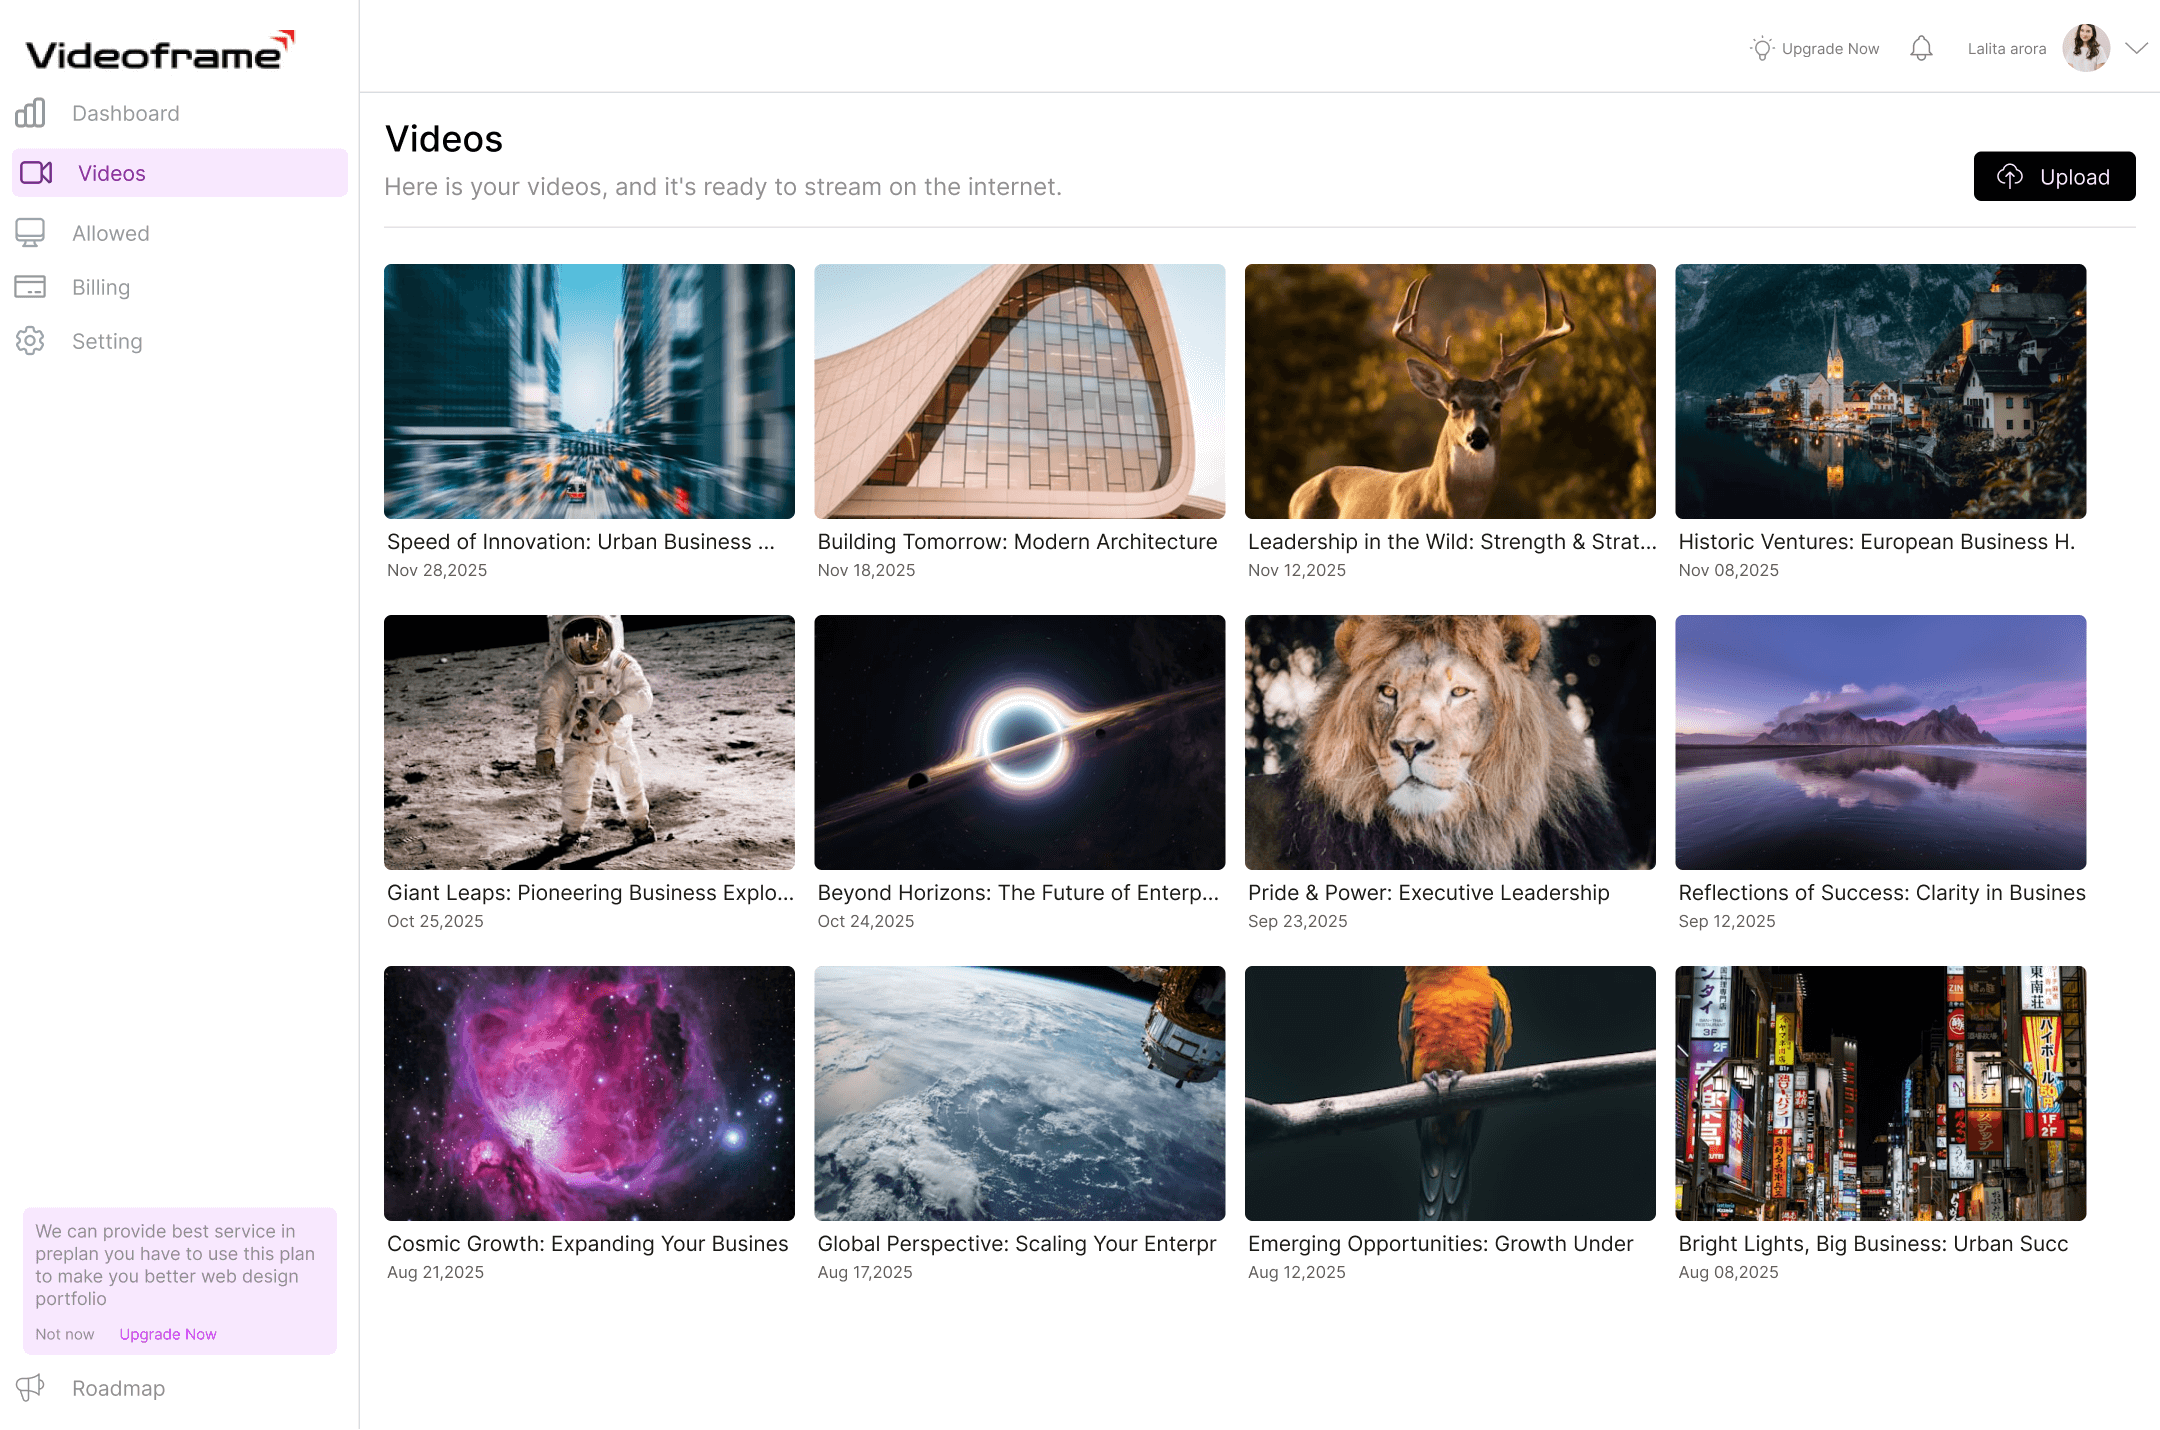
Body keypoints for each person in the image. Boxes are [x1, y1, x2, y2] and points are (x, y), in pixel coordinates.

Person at [536, 614, 655, 845]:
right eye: (577, 642)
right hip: (578, 741)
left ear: (612, 636)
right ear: (563, 642)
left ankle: (640, 825)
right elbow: (550, 711)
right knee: (575, 791)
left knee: (630, 785)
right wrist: (545, 747)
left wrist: (620, 705)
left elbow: (643, 694)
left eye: (596, 641)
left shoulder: (620, 663)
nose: (589, 650)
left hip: (616, 739)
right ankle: (571, 832)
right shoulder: (562, 672)